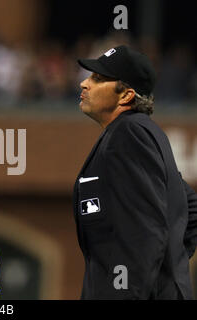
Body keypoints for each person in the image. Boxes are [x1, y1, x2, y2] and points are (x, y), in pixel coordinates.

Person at [73, 45, 197, 299]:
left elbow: (144, 230)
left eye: (98, 79)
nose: (85, 83)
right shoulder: (137, 132)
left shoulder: (129, 135)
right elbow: (190, 206)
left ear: (126, 95)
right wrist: (171, 260)